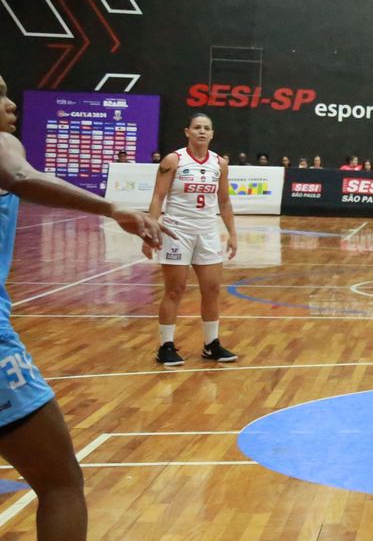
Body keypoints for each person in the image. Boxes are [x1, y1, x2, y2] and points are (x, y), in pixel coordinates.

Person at [0, 74, 168, 541]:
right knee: (61, 484)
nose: (11, 104)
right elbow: (20, 176)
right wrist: (114, 209)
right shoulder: (1, 141)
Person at [146, 113, 240, 366]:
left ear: (212, 134)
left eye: (206, 128)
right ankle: (165, 346)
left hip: (208, 232)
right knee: (174, 290)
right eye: (197, 127)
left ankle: (212, 344)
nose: (201, 132)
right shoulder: (173, 160)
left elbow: (224, 201)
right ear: (187, 131)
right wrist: (149, 232)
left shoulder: (219, 164)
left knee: (212, 289)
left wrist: (232, 233)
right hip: (177, 231)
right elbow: (158, 197)